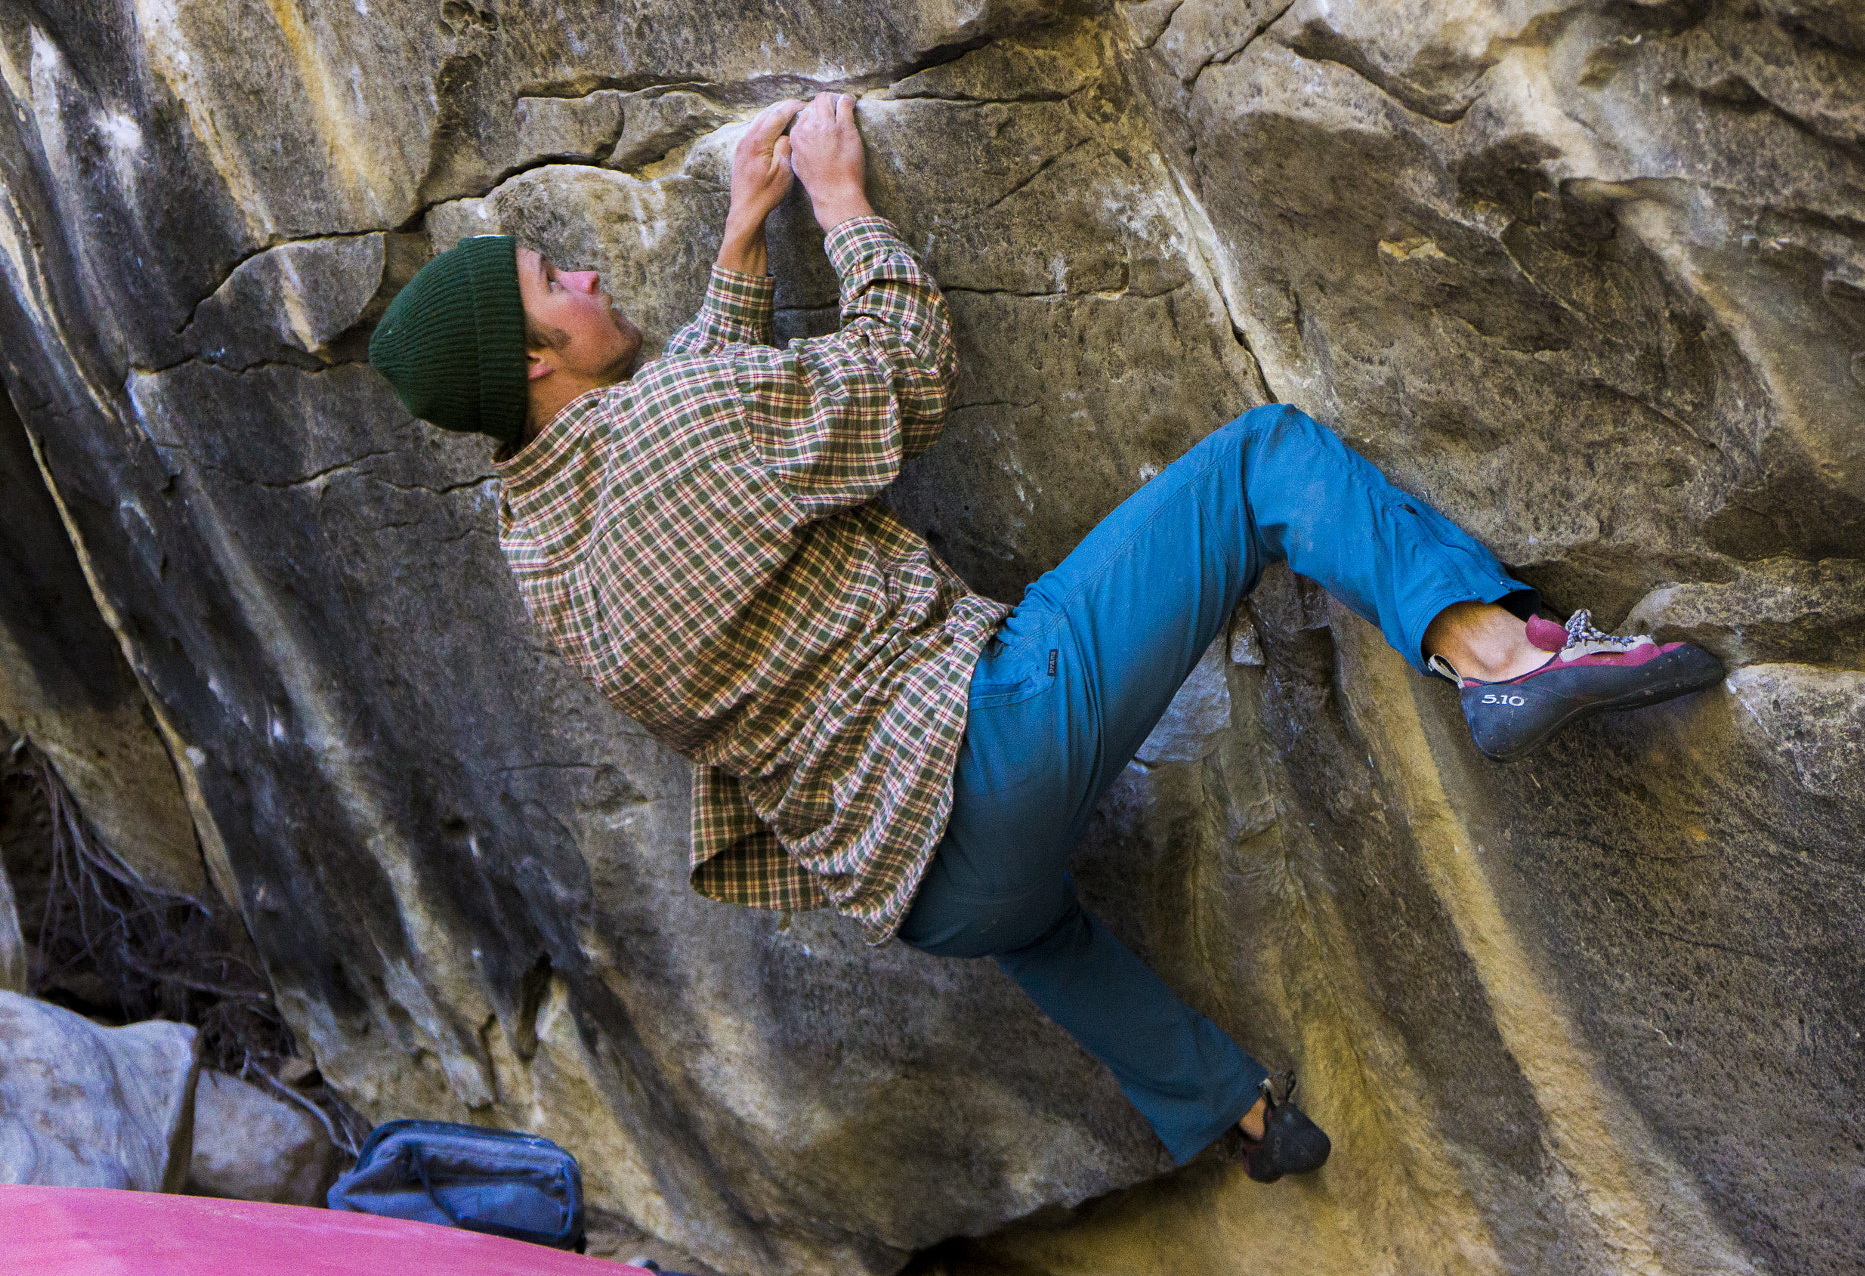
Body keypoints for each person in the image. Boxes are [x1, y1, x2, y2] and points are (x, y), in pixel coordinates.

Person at [366, 94, 1723, 1181]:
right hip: (992, 747)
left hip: (920, 890)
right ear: (537, 359)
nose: (591, 270)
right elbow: (902, 375)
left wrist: (737, 248)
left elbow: (700, 444)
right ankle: (1497, 657)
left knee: (1036, 922)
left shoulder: (541, 547)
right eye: (561, 278)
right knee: (1260, 463)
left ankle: (1230, 1113)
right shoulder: (673, 434)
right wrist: (840, 210)